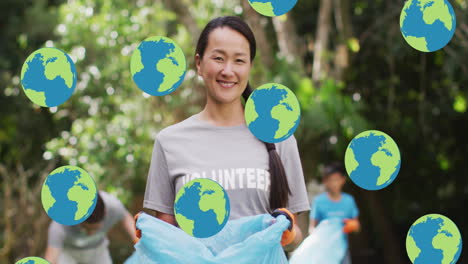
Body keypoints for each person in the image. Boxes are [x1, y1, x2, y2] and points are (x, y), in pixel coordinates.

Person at [142, 16, 310, 248]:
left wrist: (288, 235)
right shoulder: (169, 141)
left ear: (249, 66)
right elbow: (168, 237)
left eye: (239, 60)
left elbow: (296, 235)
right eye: (218, 58)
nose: (228, 70)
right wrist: (151, 234)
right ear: (199, 64)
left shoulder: (278, 137)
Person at [44, 191, 138, 264]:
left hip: (98, 250)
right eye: (86, 228)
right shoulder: (60, 223)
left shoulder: (113, 205)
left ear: (105, 213)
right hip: (69, 252)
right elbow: (51, 258)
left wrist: (140, 244)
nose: (90, 234)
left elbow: (126, 219)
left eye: (94, 229)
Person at [308, 162, 360, 264]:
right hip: (323, 250)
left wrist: (352, 226)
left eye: (336, 179)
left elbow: (357, 227)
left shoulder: (349, 201)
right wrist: (316, 236)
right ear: (325, 182)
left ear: (343, 180)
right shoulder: (318, 201)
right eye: (331, 180)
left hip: (343, 250)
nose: (334, 183)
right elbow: (311, 228)